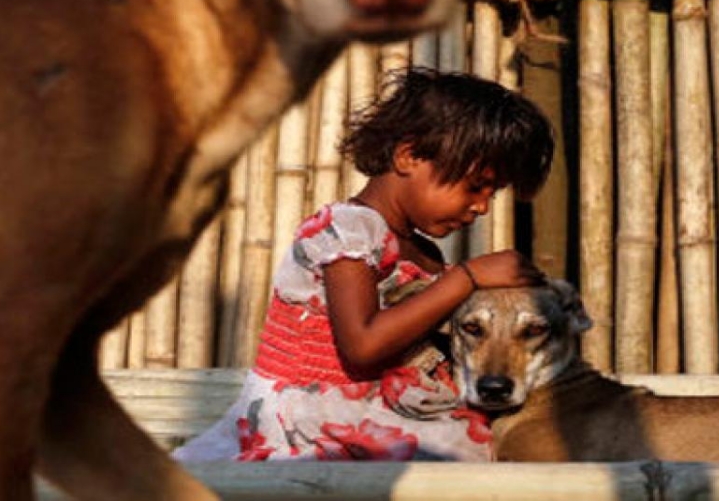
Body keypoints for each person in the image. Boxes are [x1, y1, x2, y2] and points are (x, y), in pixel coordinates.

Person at [172, 67, 555, 463]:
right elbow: (363, 345)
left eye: (493, 194)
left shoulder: (424, 253)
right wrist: (467, 277)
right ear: (408, 156)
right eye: (475, 186)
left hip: (382, 408)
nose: (481, 207)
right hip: (305, 418)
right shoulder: (346, 229)